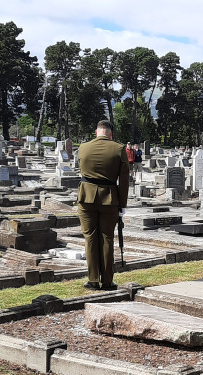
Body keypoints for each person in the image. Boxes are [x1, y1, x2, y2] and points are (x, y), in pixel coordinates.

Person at [77, 120, 129, 291]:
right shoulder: (119, 149)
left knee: (90, 237)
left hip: (86, 198)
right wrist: (123, 205)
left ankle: (92, 279)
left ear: (96, 132)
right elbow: (124, 181)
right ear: (110, 134)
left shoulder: (83, 147)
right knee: (107, 238)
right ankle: (107, 281)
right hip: (109, 199)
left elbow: (82, 170)